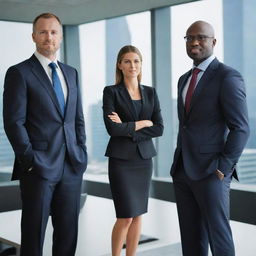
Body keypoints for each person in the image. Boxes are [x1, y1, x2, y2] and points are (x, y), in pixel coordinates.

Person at [3, 13, 87, 256]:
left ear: (60, 36)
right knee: (34, 234)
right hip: (38, 168)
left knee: (68, 234)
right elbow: (13, 122)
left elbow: (76, 118)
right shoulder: (19, 73)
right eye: (43, 32)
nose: (48, 36)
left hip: (71, 165)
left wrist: (81, 151)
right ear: (33, 36)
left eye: (53, 32)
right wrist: (30, 160)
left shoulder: (71, 73)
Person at [170, 20, 250, 256]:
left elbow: (241, 128)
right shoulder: (184, 79)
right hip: (183, 170)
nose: (194, 42)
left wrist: (224, 167)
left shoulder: (227, 77)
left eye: (201, 37)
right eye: (189, 37)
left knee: (219, 238)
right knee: (191, 238)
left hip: (211, 172)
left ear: (213, 42)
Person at [102, 45, 164, 256]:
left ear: (141, 64)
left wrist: (128, 127)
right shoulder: (111, 92)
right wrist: (141, 123)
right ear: (119, 65)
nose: (132, 65)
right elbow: (112, 128)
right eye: (127, 61)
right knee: (125, 216)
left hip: (143, 160)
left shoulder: (150, 92)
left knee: (138, 215)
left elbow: (159, 128)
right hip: (121, 161)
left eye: (136, 61)